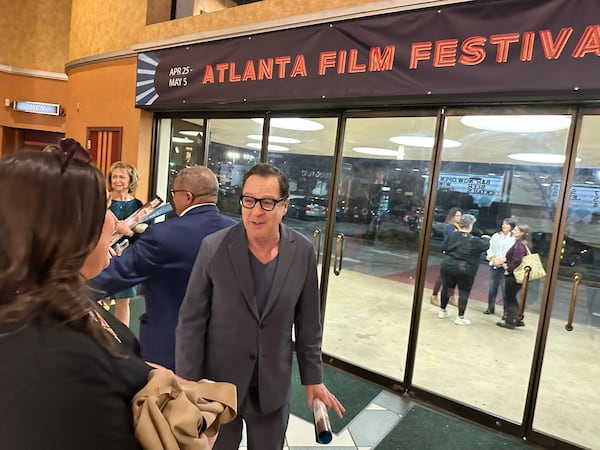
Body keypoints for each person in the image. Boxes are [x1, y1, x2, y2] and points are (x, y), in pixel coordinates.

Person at [176, 162, 345, 450]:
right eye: (249, 200)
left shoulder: (301, 251)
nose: (255, 211)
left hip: (272, 387)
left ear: (284, 206)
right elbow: (191, 320)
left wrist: (313, 378)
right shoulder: (214, 247)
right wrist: (188, 383)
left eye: (267, 202)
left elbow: (308, 323)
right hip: (217, 387)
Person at [0, 141, 149, 449]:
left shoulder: (54, 300)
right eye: (104, 209)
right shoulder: (55, 370)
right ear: (66, 230)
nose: (113, 221)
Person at [89, 166, 237, 370]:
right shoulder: (239, 234)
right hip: (226, 346)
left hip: (170, 347)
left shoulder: (164, 234)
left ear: (187, 197)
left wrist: (70, 288)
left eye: (174, 194)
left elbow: (117, 275)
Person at [107, 161, 144, 326]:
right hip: (104, 255)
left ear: (131, 181)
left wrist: (128, 232)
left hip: (126, 258)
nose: (117, 180)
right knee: (98, 300)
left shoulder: (138, 205)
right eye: (114, 177)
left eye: (121, 177)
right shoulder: (103, 199)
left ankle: (123, 340)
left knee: (123, 300)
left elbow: (142, 238)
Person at [438, 214, 490, 325]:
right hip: (466, 269)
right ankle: (460, 317)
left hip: (448, 265)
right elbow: (485, 245)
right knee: (464, 292)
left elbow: (443, 248)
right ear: (470, 225)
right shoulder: (474, 240)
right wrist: (486, 238)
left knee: (447, 288)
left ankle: (442, 311)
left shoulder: (451, 236)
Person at [497, 224, 531, 329]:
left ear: (522, 233)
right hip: (516, 275)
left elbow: (517, 260)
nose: (513, 231)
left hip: (514, 276)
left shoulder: (520, 245)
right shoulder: (521, 244)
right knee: (512, 298)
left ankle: (510, 321)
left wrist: (508, 269)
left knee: (510, 298)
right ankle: (517, 318)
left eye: (516, 230)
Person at [430, 207, 462, 307]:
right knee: (443, 275)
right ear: (452, 216)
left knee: (453, 276)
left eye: (460, 216)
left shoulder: (457, 226)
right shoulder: (450, 227)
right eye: (457, 216)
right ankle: (434, 295)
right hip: (450, 254)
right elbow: (450, 240)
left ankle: (451, 296)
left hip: (458, 254)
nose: (459, 218)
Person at [484, 218, 516, 316]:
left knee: (505, 290)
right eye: (503, 224)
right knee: (492, 288)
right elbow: (490, 249)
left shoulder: (514, 238)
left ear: (511, 227)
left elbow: (513, 253)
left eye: (506, 224)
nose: (504, 226)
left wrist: (503, 262)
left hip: (506, 268)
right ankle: (490, 307)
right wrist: (494, 259)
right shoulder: (496, 236)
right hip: (495, 265)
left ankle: (506, 312)